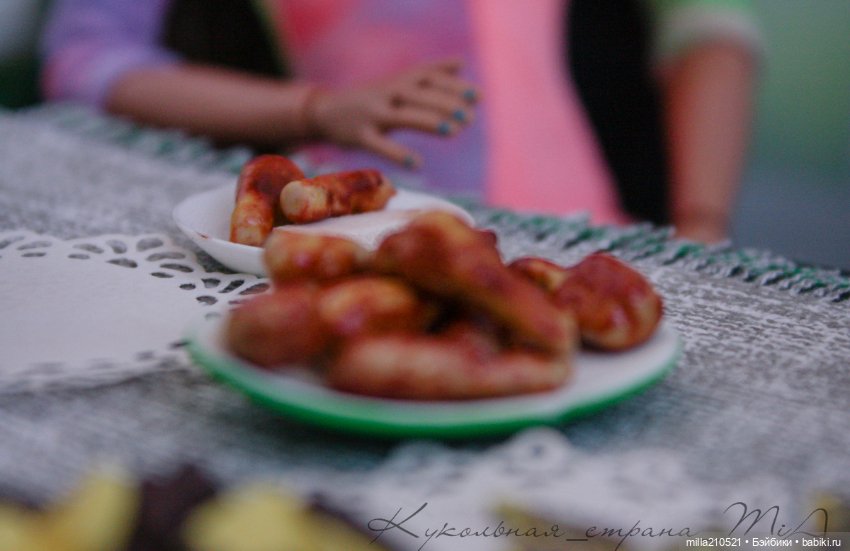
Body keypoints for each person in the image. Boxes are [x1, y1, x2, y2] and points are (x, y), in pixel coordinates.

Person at [40, 0, 760, 241]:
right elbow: (83, 57)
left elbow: (711, 27)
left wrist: (700, 226)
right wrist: (311, 108)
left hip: (586, 234)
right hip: (361, 234)